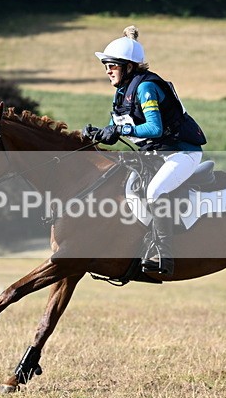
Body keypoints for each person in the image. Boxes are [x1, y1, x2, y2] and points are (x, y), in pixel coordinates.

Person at [83, 26, 207, 276]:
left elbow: (154, 128)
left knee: (155, 191)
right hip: (155, 155)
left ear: (128, 67)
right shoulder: (121, 93)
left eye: (112, 65)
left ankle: (163, 252)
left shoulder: (146, 88)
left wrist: (120, 130)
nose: (107, 70)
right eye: (106, 65)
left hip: (181, 153)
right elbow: (119, 126)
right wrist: (100, 133)